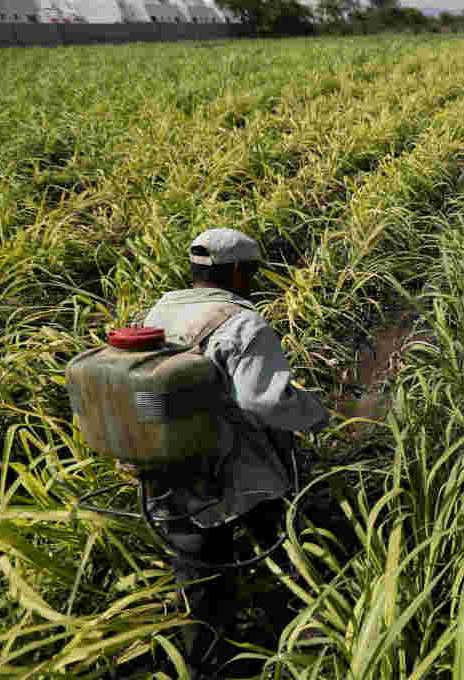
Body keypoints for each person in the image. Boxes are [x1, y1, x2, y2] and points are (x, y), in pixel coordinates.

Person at [137, 228, 330, 679]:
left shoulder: (163, 309)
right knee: (282, 541)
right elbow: (263, 401)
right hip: (235, 468)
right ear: (240, 271)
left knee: (199, 574)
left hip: (169, 464)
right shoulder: (242, 323)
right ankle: (304, 631)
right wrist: (314, 414)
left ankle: (206, 661)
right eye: (254, 272)